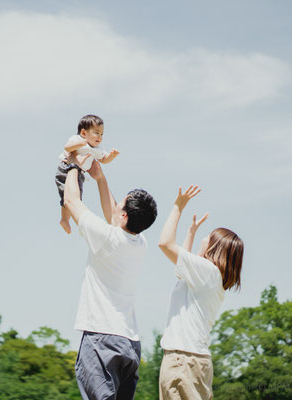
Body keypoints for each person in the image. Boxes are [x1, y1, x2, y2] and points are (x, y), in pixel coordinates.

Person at [62, 157, 157, 400]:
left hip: (101, 339)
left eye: (120, 204)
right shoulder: (140, 242)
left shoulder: (107, 238)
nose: (115, 206)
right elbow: (114, 216)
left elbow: (71, 200)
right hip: (129, 343)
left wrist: (73, 164)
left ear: (124, 215)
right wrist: (100, 178)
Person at [157, 186, 244, 400]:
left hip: (182, 360)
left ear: (215, 247)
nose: (204, 238)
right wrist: (191, 233)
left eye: (208, 236)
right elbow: (182, 273)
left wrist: (178, 206)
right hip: (195, 361)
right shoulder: (211, 278)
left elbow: (165, 244)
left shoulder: (207, 273)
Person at [55, 114, 120, 234]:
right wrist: (80, 144)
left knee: (76, 197)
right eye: (96, 133)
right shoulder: (78, 140)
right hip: (66, 168)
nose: (99, 137)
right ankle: (64, 219)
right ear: (84, 133)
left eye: (102, 134)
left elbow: (103, 159)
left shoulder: (98, 149)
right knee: (67, 195)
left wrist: (111, 156)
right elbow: (67, 147)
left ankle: (66, 219)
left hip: (79, 173)